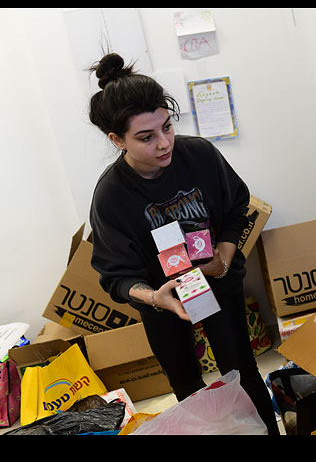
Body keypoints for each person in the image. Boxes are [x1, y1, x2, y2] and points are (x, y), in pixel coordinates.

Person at [87, 53, 279, 435]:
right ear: (116, 139)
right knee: (188, 389)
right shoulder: (111, 196)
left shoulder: (199, 156)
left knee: (242, 372)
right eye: (146, 137)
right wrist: (156, 298)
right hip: (163, 302)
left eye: (167, 127)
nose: (164, 143)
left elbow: (238, 206)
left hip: (217, 283)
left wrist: (224, 256)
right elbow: (117, 276)